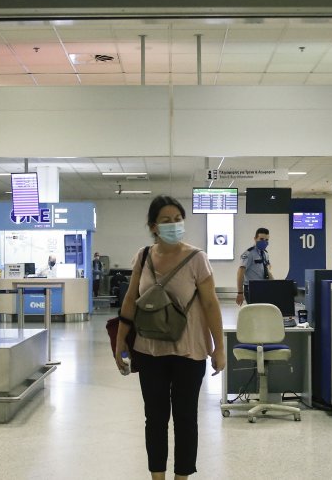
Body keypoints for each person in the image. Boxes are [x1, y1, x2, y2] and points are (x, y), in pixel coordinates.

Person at [113, 195, 225, 480]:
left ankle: (182, 477)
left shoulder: (197, 258)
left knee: (185, 418)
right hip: (149, 350)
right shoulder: (143, 256)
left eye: (178, 219)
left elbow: (211, 304)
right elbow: (130, 299)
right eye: (166, 220)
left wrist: (219, 347)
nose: (174, 225)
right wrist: (120, 341)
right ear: (153, 226)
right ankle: (158, 477)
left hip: (189, 351)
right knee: (155, 418)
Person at [235, 227, 272, 306]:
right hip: (252, 288)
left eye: (266, 240)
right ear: (255, 239)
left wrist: (274, 285)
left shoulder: (265, 253)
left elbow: (267, 270)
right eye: (261, 239)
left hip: (264, 287)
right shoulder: (249, 254)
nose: (264, 242)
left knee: (264, 310)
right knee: (255, 311)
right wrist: (240, 293)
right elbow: (240, 273)